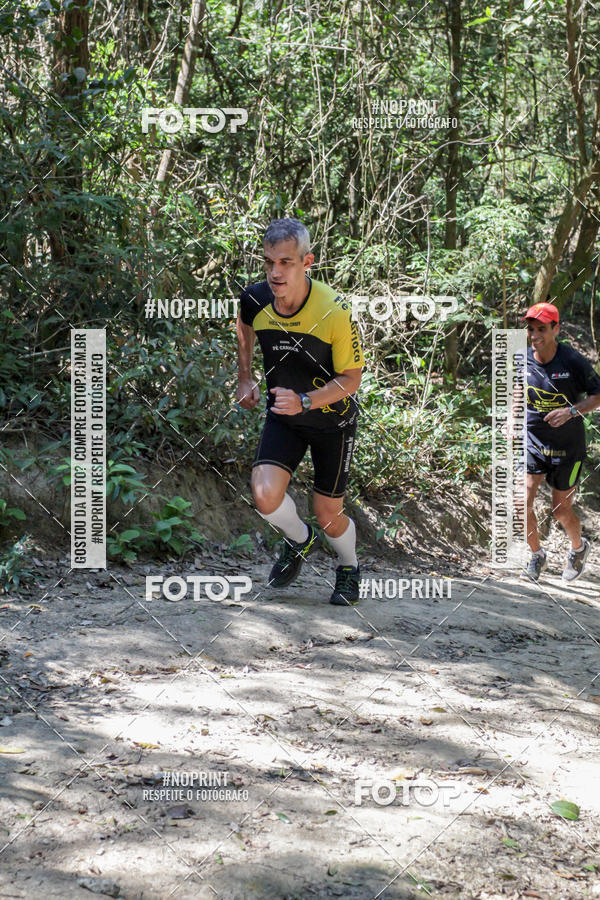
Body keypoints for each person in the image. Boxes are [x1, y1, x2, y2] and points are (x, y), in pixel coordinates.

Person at [235, 218, 365, 605]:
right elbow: (243, 325)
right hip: (285, 417)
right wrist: (245, 376)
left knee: (328, 514)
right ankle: (299, 539)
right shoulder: (255, 299)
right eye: (269, 262)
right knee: (264, 495)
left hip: (333, 422)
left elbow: (352, 379)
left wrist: (306, 400)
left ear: (307, 262)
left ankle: (349, 566)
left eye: (286, 263)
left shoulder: (334, 310)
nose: (275, 272)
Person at [521, 300, 600, 582]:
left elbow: (598, 395)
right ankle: (536, 555)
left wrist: (570, 412)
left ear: (556, 329)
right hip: (533, 441)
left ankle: (578, 548)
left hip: (567, 448)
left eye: (541, 329)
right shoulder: (522, 358)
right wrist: (511, 419)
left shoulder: (572, 360)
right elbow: (518, 389)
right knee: (522, 501)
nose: (535, 335)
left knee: (560, 509)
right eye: (531, 329)